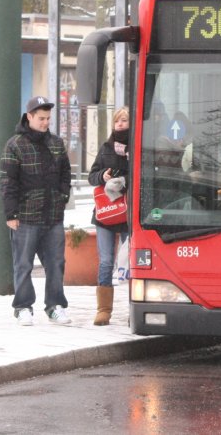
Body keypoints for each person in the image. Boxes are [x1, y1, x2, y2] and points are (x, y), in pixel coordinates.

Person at [0, 95, 73, 326]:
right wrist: (11, 214)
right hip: (25, 217)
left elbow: (65, 174)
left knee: (56, 263)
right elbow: (7, 182)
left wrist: (62, 197)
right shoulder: (14, 145)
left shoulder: (56, 143)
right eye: (41, 118)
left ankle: (55, 306)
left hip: (53, 216)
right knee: (23, 264)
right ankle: (22, 307)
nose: (45, 123)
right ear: (29, 116)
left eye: (48, 118)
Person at [87, 106, 130, 326]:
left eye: (124, 120)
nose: (120, 124)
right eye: (117, 121)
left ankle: (135, 306)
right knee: (106, 261)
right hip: (105, 214)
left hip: (128, 216)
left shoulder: (137, 146)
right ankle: (103, 310)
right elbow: (91, 177)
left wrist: (126, 181)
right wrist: (102, 177)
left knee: (131, 262)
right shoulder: (106, 148)